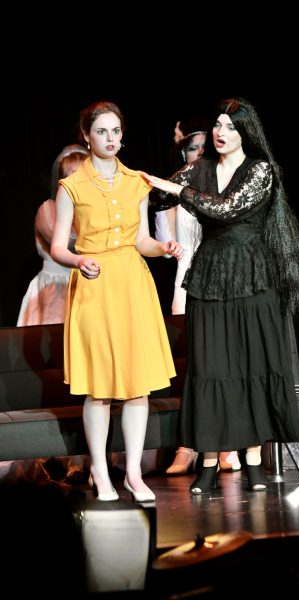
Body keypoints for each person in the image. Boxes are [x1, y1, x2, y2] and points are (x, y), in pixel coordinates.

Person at [143, 97, 299, 494]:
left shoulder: (261, 170)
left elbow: (227, 209)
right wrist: (165, 186)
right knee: (211, 369)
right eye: (218, 126)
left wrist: (178, 190)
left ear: (245, 134)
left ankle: (253, 460)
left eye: (230, 127)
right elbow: (158, 198)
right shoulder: (198, 169)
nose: (221, 133)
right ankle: (207, 460)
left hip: (253, 275)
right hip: (211, 273)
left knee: (252, 366)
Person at [51, 100, 183, 502]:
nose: (110, 139)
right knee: (100, 388)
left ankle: (133, 474)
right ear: (87, 137)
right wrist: (77, 259)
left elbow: (141, 241)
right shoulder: (71, 187)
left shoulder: (136, 183)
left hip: (133, 286)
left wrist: (163, 247)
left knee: (138, 386)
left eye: (116, 131)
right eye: (102, 132)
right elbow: (59, 245)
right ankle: (99, 470)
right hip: (95, 287)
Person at [155, 119, 241, 475]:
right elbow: (164, 244)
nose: (201, 153)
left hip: (223, 278)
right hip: (187, 280)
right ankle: (189, 444)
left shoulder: (224, 184)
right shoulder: (175, 191)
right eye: (193, 148)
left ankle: (228, 444)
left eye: (204, 147)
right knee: (195, 368)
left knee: (227, 362)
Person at [17, 145, 89, 326]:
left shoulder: (94, 210)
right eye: (72, 173)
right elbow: (65, 242)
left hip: (87, 286)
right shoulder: (48, 209)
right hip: (55, 287)